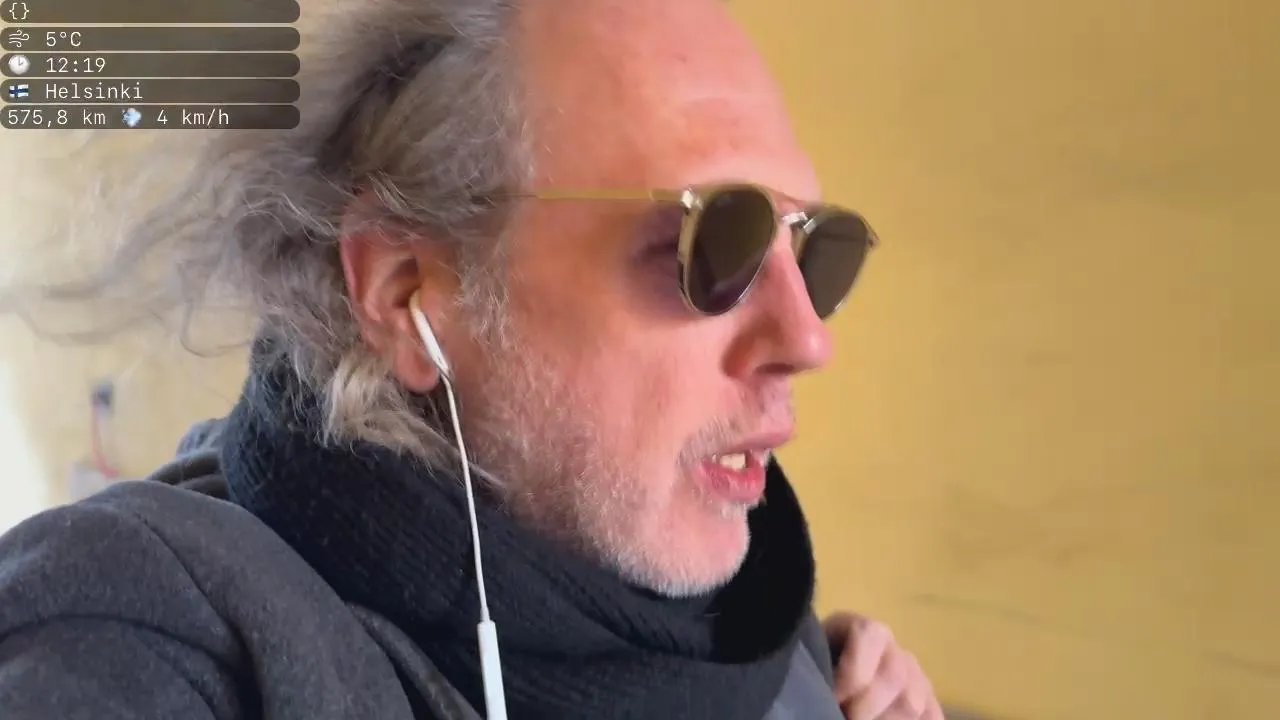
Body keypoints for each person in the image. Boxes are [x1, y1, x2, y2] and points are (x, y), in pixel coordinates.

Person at [0, 0, 943, 718]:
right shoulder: (141, 627)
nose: (808, 339)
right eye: (715, 246)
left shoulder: (763, 629)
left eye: (815, 250)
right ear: (408, 290)